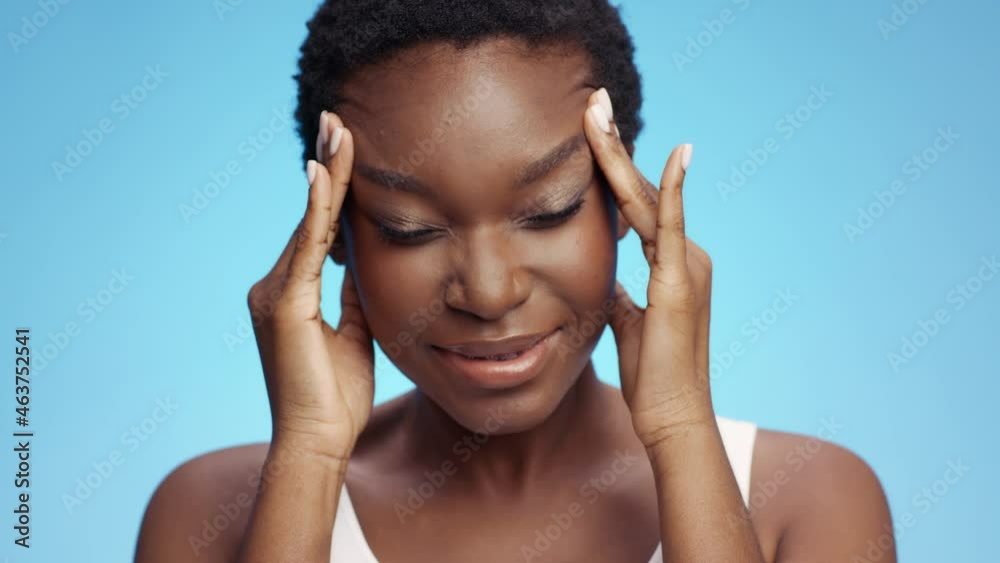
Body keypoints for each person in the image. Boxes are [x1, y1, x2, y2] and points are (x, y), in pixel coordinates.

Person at [135, 1, 894, 561]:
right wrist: (306, 457)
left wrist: (681, 426)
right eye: (410, 228)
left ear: (621, 195)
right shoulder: (209, 515)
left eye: (548, 212)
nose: (489, 292)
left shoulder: (806, 496)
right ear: (331, 233)